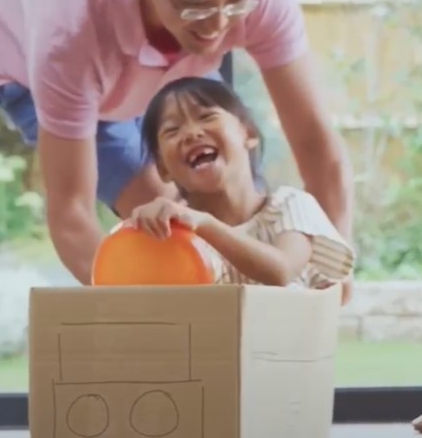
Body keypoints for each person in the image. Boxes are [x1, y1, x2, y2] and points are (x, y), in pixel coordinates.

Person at [0, 0, 352, 290]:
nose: (219, 26)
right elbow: (70, 214)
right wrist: (142, 320)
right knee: (164, 220)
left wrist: (335, 272)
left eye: (235, 3)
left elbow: (315, 141)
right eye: (196, 4)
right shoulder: (70, 37)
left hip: (161, 47)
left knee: (221, 193)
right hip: (28, 61)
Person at [127, 76, 355, 290]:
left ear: (249, 133)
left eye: (206, 117)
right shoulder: (175, 237)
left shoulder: (290, 206)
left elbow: (283, 271)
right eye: (172, 130)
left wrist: (205, 224)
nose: (191, 133)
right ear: (162, 168)